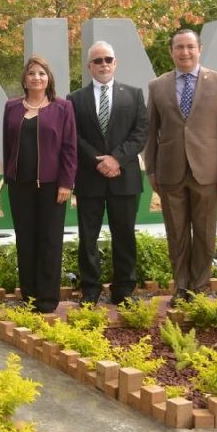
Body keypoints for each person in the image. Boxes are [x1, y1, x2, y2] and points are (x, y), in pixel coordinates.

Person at [145, 29, 217, 305]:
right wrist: (151, 169)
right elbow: (151, 132)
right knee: (176, 233)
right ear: (171, 52)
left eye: (189, 47)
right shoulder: (157, 86)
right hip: (170, 171)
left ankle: (200, 287)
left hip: (208, 171)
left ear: (199, 49)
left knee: (204, 232)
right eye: (179, 47)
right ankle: (182, 287)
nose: (184, 52)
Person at [67, 42, 148, 306]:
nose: (103, 64)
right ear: (89, 66)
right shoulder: (75, 99)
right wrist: (97, 161)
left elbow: (140, 132)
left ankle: (123, 289)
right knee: (88, 237)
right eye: (97, 60)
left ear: (116, 63)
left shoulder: (134, 95)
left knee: (124, 235)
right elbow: (73, 136)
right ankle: (90, 289)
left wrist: (116, 159)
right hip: (90, 179)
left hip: (123, 178)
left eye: (108, 59)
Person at [3, 55, 77, 313]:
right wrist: (8, 176)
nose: (36, 77)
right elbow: (7, 145)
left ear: (48, 79)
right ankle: (29, 296)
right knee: (25, 239)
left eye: (41, 73)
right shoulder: (11, 107)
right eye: (32, 73)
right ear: (24, 79)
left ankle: (47, 299)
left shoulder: (62, 108)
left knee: (50, 240)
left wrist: (66, 182)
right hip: (19, 186)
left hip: (52, 185)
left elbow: (69, 148)